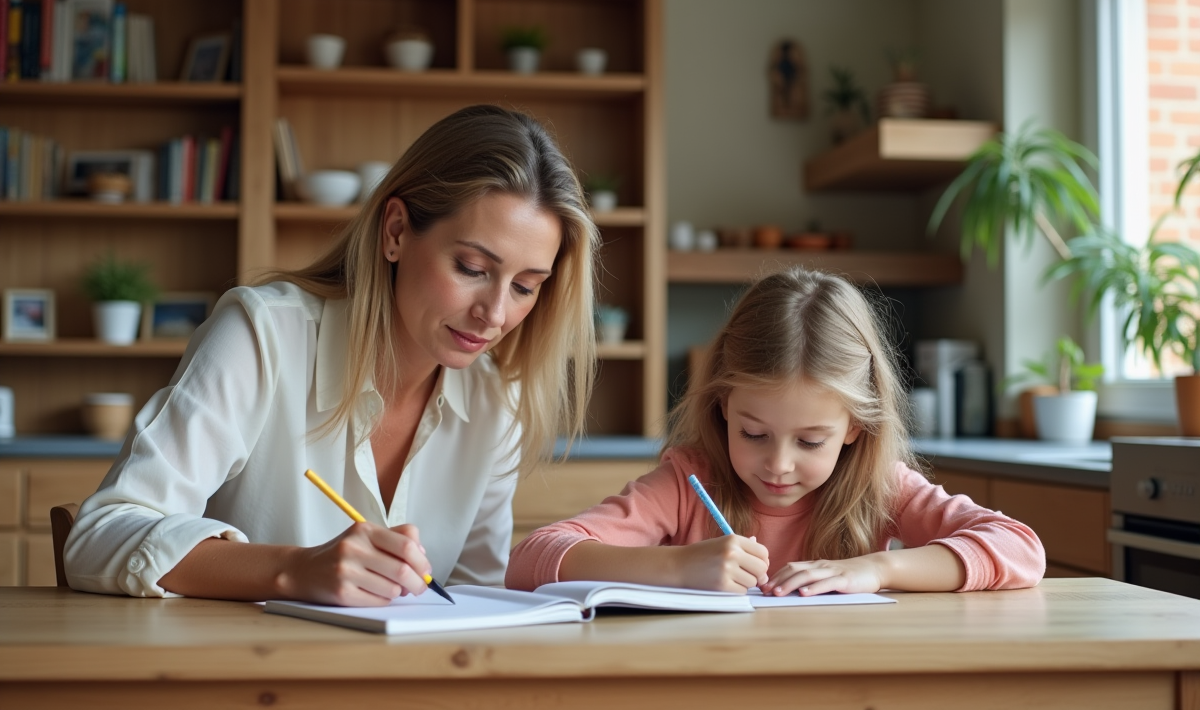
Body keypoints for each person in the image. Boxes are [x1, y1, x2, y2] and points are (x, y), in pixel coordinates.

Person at [66, 105, 599, 606]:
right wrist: (294, 570)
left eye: (525, 287)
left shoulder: (494, 401)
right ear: (396, 231)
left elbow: (475, 598)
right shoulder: (262, 336)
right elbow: (97, 536)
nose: (495, 314)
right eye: (472, 269)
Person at [507, 267, 1045, 596]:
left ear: (856, 426)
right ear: (723, 407)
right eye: (754, 434)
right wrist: (676, 566)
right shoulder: (687, 483)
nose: (779, 464)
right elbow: (532, 557)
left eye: (810, 441)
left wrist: (877, 569)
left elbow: (1020, 548)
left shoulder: (879, 487)